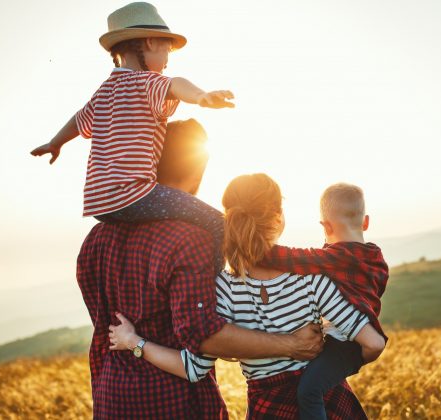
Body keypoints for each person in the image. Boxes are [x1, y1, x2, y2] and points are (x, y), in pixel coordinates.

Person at [77, 120, 324, 419]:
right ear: (198, 167)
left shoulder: (95, 239)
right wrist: (292, 345)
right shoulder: (190, 238)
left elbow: (104, 321)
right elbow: (205, 335)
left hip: (111, 398)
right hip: (173, 403)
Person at [109, 174, 385, 419]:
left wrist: (133, 341)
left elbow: (192, 369)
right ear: (278, 218)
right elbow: (370, 341)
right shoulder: (312, 278)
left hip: (268, 410)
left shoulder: (223, 290)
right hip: (329, 406)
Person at [30, 2, 234, 268]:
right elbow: (176, 84)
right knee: (218, 223)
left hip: (99, 205)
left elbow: (77, 120)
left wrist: (54, 143)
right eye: (166, 52)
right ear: (150, 42)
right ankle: (217, 286)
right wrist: (201, 96)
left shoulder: (104, 91)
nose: (166, 62)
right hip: (133, 195)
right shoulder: (148, 82)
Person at [258, 183, 390, 419]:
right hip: (351, 342)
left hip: (344, 344)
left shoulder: (332, 258)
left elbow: (291, 258)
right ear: (366, 222)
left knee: (309, 391)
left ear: (326, 226)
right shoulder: (376, 258)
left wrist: (253, 248)